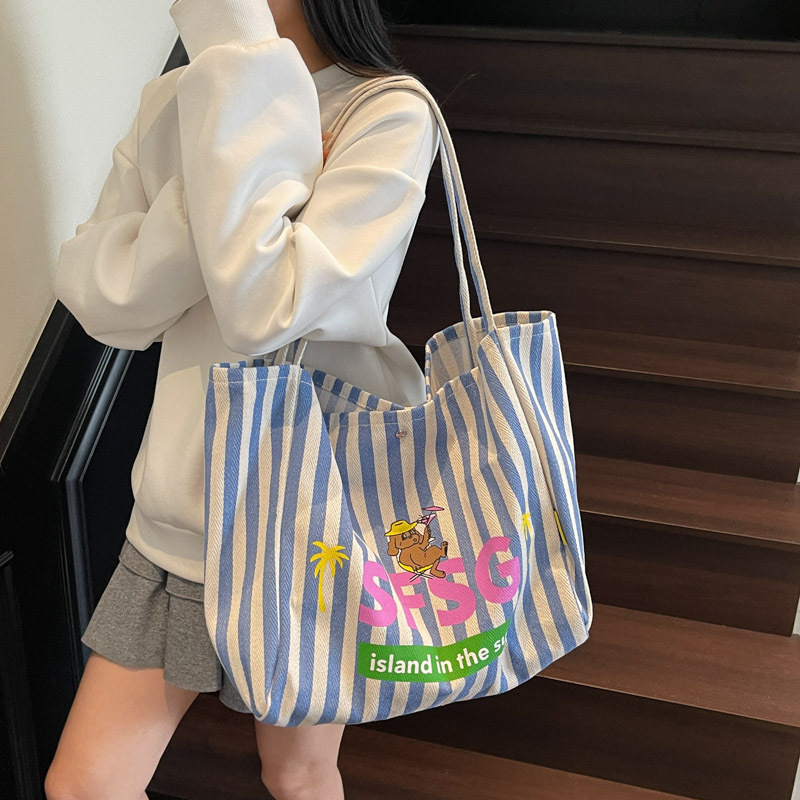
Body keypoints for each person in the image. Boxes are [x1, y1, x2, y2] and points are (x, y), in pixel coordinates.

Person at [44, 0, 440, 797]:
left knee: (299, 774)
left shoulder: (388, 111)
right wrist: (222, 166)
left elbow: (267, 305)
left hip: (312, 527)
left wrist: (236, 134)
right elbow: (105, 298)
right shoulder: (183, 95)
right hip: (182, 518)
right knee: (84, 785)